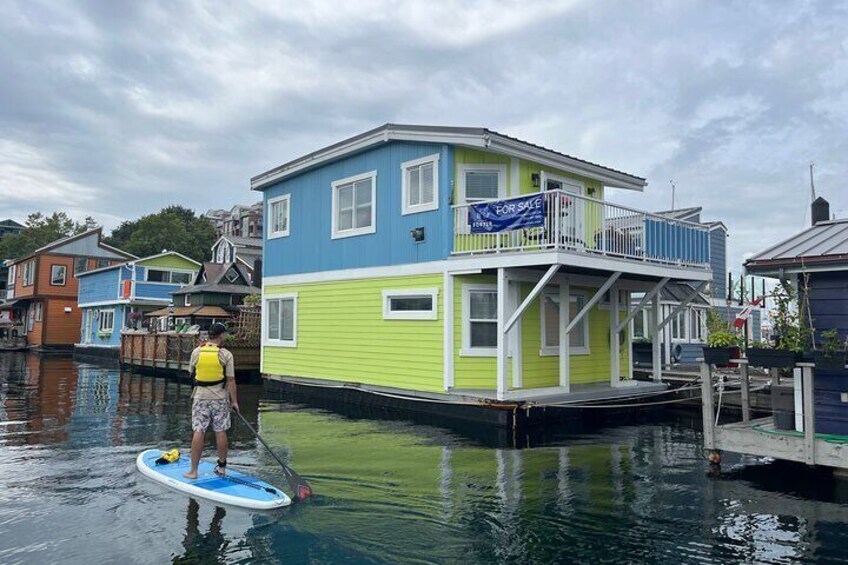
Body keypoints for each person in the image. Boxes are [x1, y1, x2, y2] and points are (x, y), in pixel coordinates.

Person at [183, 322, 239, 479]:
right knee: (220, 431)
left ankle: (193, 471)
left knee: (199, 430)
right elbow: (231, 380)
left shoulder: (197, 352)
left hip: (200, 397)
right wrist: (234, 401)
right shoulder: (226, 355)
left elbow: (190, 373)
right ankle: (221, 468)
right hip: (220, 398)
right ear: (221, 336)